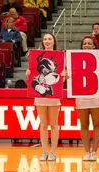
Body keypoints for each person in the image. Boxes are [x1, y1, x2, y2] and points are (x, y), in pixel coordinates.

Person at [25, 33, 67, 161]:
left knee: (53, 124)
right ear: (42, 42)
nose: (47, 41)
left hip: (54, 95)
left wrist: (65, 74)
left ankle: (53, 152)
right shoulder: (35, 57)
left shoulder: (61, 57)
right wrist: (28, 73)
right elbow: (32, 75)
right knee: (43, 125)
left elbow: (62, 78)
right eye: (45, 39)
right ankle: (44, 151)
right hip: (39, 96)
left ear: (54, 41)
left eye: (50, 39)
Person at [74, 36, 99, 161]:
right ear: (82, 46)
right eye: (85, 43)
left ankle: (95, 151)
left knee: (97, 123)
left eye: (89, 43)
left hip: (96, 95)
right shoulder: (74, 60)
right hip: (81, 95)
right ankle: (87, 151)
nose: (87, 45)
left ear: (94, 46)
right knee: (84, 124)